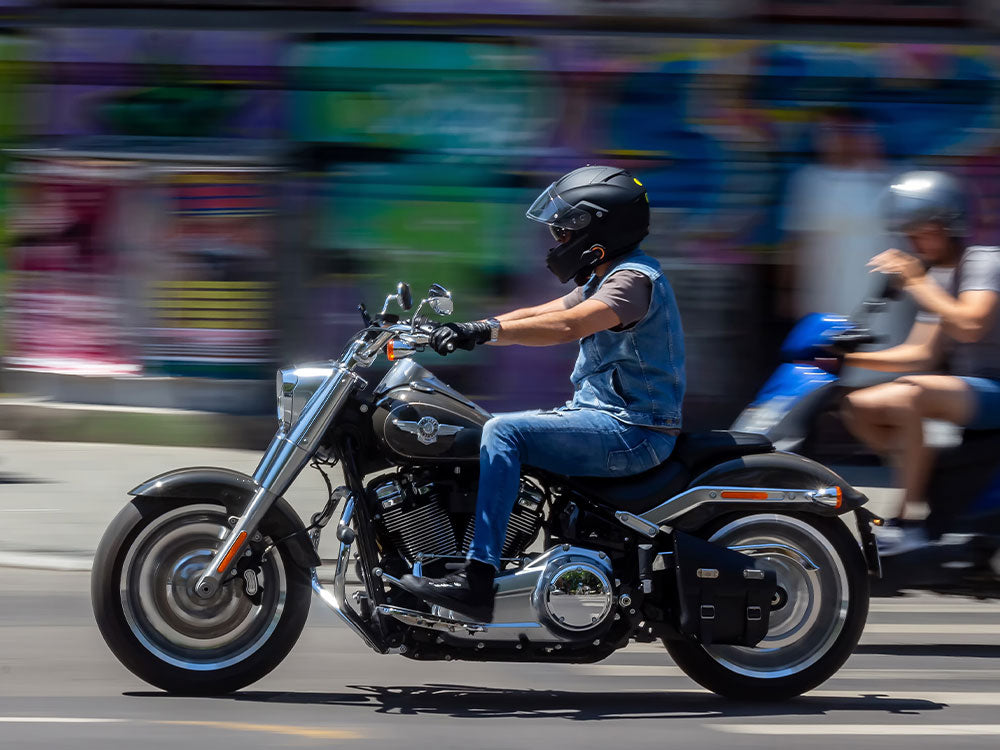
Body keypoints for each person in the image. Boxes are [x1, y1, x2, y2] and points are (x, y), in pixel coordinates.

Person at [397, 165, 686, 621]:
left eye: (567, 226)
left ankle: (476, 580)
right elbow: (539, 312)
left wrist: (482, 334)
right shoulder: (605, 277)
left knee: (503, 432)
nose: (557, 236)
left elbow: (568, 325)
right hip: (606, 418)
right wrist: (475, 327)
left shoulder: (633, 280)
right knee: (478, 428)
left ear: (601, 229)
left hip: (633, 430)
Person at [841, 170, 1000, 554]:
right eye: (907, 234)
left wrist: (914, 280)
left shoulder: (985, 261)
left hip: (994, 388)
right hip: (966, 392)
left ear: (952, 223)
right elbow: (921, 353)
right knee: (856, 405)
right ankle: (929, 480)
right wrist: (847, 359)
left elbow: (969, 325)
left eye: (921, 231)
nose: (913, 242)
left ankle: (907, 521)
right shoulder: (940, 280)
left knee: (911, 394)